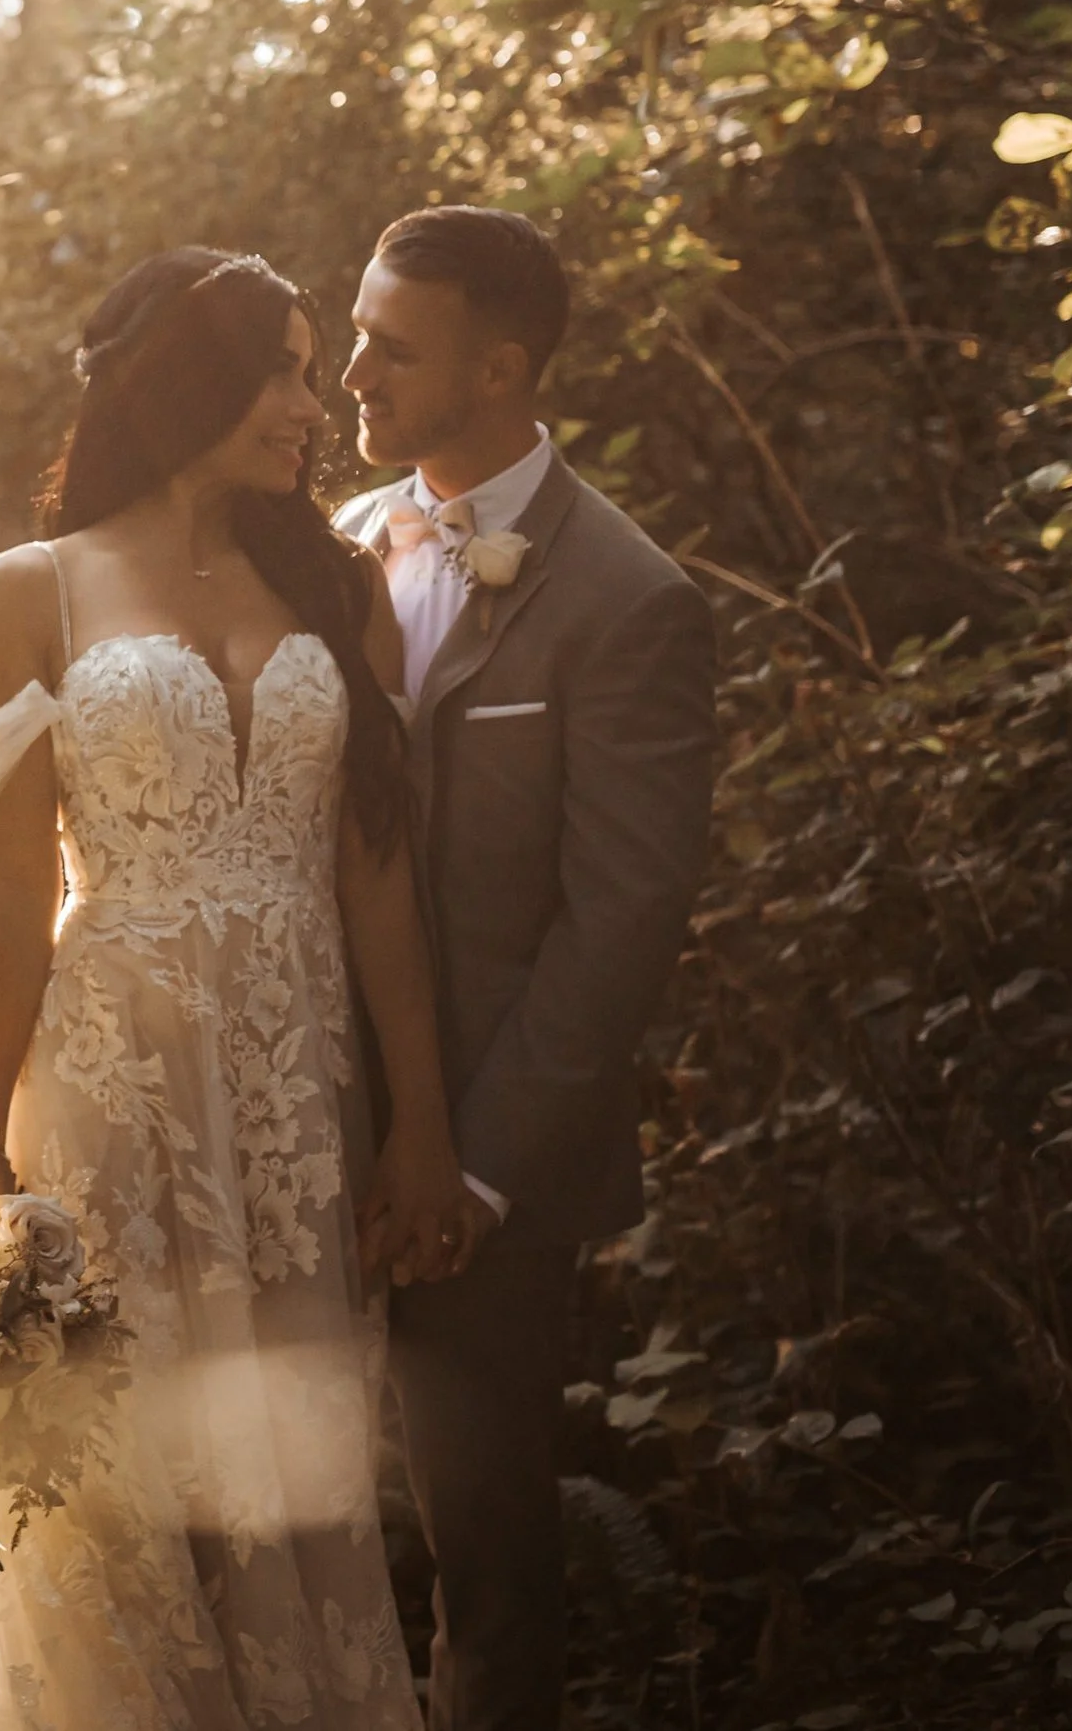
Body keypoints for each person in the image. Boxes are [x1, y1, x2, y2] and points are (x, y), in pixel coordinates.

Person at [0, 246, 467, 1729]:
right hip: (111, 1085)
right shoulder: (28, 591)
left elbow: (376, 882)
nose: (314, 406)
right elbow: (13, 893)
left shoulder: (337, 586)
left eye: (313, 371)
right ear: (191, 380)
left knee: (288, 1470)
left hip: (298, 1092)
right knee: (121, 1476)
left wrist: (423, 1122)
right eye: (284, 371)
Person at [334, 207, 719, 1731]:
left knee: (485, 1571)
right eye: (354, 335)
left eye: (390, 346)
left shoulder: (630, 600)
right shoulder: (330, 550)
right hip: (293, 1118)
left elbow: (623, 917)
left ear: (499, 370)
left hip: (487, 1174)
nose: (353, 373)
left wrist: (474, 1171)